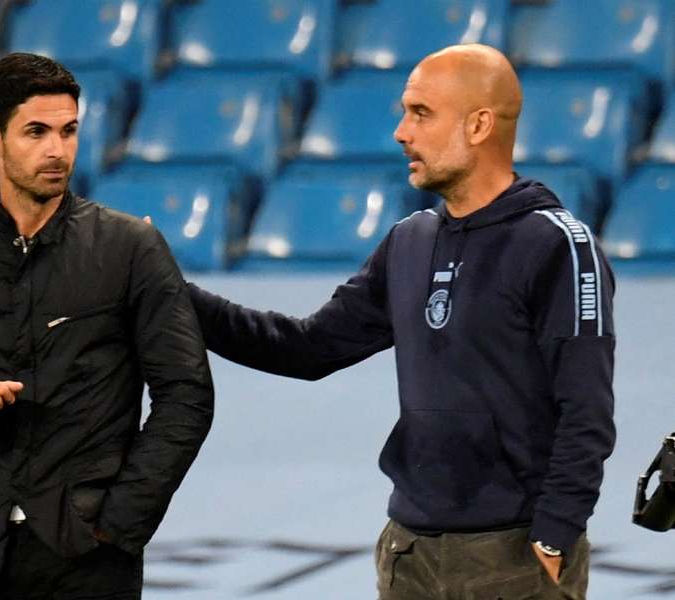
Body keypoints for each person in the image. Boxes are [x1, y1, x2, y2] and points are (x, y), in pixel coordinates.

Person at [187, 44, 615, 599]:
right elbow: (307, 348)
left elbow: (587, 410)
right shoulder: (409, 241)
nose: (400, 132)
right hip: (410, 553)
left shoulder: (557, 245)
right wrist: (177, 296)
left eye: (420, 113)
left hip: (514, 558)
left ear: (480, 124)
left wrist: (555, 535)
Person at [0, 53, 214, 600]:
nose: (57, 150)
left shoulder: (131, 249)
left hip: (90, 554)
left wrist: (121, 522)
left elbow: (186, 396)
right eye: (36, 131)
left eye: (69, 130)